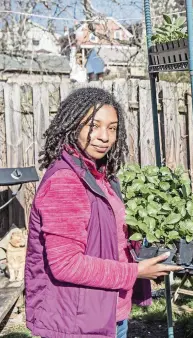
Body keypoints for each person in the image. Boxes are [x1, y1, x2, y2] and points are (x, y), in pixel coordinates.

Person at [25, 87, 182, 338]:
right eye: (93, 125)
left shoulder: (101, 176)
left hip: (107, 312)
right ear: (73, 125)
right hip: (76, 323)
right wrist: (136, 272)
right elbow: (66, 265)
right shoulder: (66, 182)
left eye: (112, 128)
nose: (104, 137)